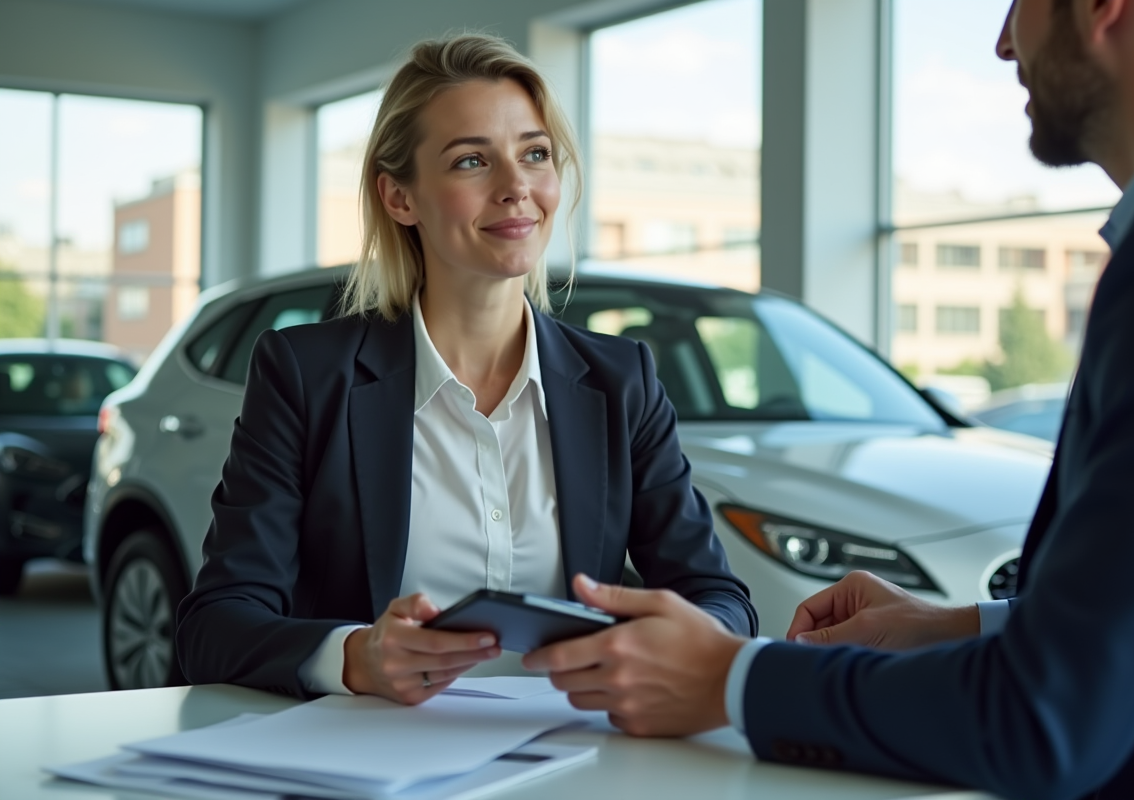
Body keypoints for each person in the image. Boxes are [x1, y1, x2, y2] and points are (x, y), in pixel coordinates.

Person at [524, 1, 1134, 797]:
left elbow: (1040, 720)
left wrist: (731, 677)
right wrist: (954, 626)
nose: (1002, 40)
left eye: (1019, 3)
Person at [175, 34, 756, 705]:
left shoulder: (621, 380)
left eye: (534, 154)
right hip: (370, 756)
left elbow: (719, 599)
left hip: (573, 752)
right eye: (472, 160)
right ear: (400, 198)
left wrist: (683, 643)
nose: (517, 188)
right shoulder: (306, 375)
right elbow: (214, 626)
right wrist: (356, 656)